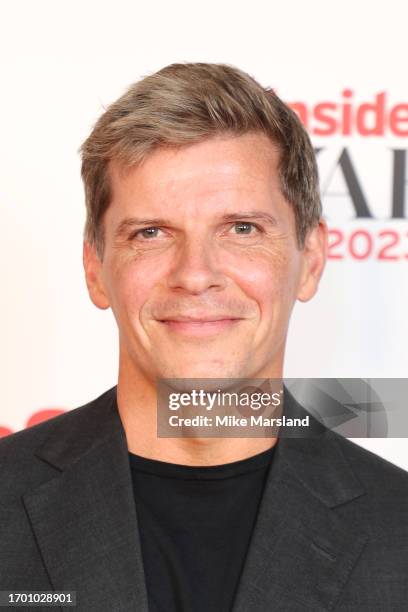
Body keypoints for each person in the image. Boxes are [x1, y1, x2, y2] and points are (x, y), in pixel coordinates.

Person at [0, 62, 407, 612]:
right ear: (95, 269)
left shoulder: (397, 529)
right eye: (151, 233)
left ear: (310, 260)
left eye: (242, 229)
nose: (195, 274)